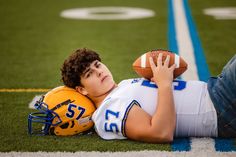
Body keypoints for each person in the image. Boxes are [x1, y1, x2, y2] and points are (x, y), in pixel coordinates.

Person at [61, 48, 236, 143]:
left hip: (216, 89)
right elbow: (160, 133)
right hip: (220, 107)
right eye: (89, 74)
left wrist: (164, 76)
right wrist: (165, 83)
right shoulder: (108, 109)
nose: (98, 72)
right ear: (82, 89)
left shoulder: (123, 86)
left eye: (97, 65)